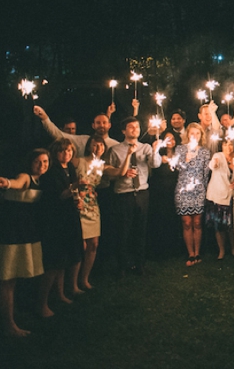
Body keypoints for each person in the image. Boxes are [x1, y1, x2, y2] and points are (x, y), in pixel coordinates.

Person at [0, 149, 49, 337]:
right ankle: (9, 325)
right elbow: (16, 183)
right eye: (38, 162)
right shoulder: (25, 176)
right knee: (8, 278)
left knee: (14, 277)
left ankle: (11, 315)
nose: (42, 166)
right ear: (30, 163)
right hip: (9, 232)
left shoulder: (42, 180)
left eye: (46, 162)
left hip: (24, 231)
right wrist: (6, 182)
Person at [107, 117, 163, 275]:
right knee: (123, 231)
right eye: (131, 127)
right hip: (124, 194)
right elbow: (110, 174)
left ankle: (140, 264)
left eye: (137, 127)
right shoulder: (116, 149)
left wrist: (155, 150)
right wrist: (122, 174)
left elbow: (155, 164)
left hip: (142, 192)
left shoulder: (145, 147)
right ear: (123, 131)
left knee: (141, 230)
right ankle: (122, 266)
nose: (135, 129)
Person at [38, 139, 83, 317]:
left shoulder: (70, 168)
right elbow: (59, 195)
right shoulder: (51, 172)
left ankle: (61, 293)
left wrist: (78, 199)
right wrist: (75, 187)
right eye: (63, 151)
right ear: (55, 153)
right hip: (55, 220)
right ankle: (41, 303)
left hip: (70, 217)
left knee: (65, 258)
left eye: (70, 151)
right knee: (54, 261)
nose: (67, 154)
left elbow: (72, 193)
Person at [72, 134, 110, 289]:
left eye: (101, 146)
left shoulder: (101, 165)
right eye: (95, 145)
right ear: (89, 146)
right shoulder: (79, 161)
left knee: (93, 243)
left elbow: (118, 172)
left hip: (92, 204)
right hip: (78, 203)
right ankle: (72, 283)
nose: (98, 148)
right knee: (80, 245)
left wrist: (128, 155)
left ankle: (85, 278)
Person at [173, 123, 211, 266]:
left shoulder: (205, 152)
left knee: (197, 222)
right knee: (187, 222)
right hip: (183, 190)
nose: (194, 135)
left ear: (201, 136)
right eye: (192, 133)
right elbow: (175, 167)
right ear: (187, 134)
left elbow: (206, 174)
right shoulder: (180, 149)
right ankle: (190, 254)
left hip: (199, 190)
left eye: (197, 133)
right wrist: (185, 160)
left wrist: (205, 191)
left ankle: (197, 252)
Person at [206, 134, 234, 261]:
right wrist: (214, 163)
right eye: (225, 144)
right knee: (219, 225)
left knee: (232, 225)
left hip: (231, 196)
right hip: (217, 196)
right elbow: (212, 166)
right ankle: (222, 250)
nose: (228, 147)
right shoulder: (217, 156)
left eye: (230, 144)